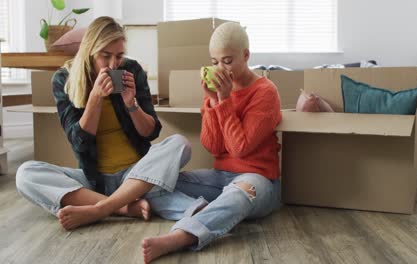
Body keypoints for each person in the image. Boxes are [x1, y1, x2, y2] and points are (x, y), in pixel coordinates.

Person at [15, 16, 191, 230]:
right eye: (105, 56)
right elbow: (78, 142)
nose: (112, 64)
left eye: (118, 56)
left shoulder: (131, 70)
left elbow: (151, 132)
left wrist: (131, 105)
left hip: (136, 173)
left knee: (179, 143)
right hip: (93, 180)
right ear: (90, 51)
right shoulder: (64, 79)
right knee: (26, 174)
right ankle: (123, 207)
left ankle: (102, 207)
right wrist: (95, 98)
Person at [141, 22, 282, 263]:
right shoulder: (218, 93)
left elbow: (240, 148)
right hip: (220, 179)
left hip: (258, 181)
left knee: (239, 195)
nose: (220, 69)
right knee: (155, 186)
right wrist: (210, 102)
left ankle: (182, 236)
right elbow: (213, 146)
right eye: (215, 62)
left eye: (227, 61)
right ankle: (206, 213)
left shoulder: (265, 92)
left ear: (246, 55)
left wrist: (224, 101)